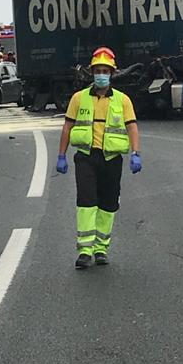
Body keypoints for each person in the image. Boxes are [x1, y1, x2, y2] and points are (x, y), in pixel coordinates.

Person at [56, 47, 141, 269]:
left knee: (108, 204)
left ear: (111, 74)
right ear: (92, 73)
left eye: (105, 70)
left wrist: (136, 153)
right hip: (85, 157)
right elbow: (67, 127)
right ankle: (85, 250)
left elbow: (132, 127)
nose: (101, 74)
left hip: (111, 158)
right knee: (86, 201)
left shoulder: (122, 100)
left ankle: (101, 248)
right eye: (97, 70)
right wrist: (61, 155)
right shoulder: (79, 98)